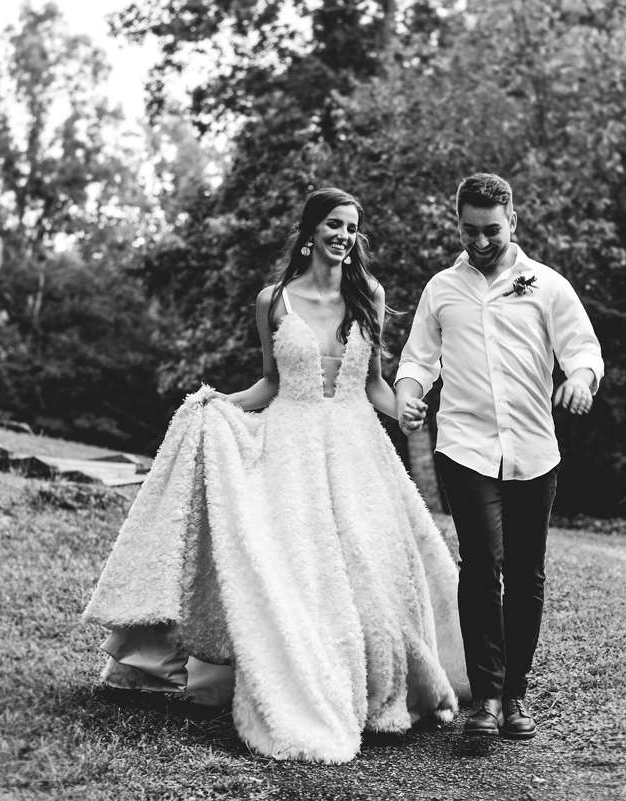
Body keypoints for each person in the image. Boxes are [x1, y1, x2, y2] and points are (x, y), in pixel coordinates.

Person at [83, 188, 468, 764]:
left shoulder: (370, 294)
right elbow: (269, 383)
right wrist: (217, 404)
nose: (344, 236)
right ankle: (308, 680)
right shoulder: (273, 300)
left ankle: (379, 686)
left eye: (352, 228)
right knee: (301, 568)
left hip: (359, 446)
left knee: (374, 565)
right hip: (292, 446)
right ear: (310, 231)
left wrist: (405, 411)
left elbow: (373, 386)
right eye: (334, 225)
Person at [395, 173, 603, 740]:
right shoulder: (441, 288)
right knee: (482, 567)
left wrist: (580, 382)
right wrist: (409, 397)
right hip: (464, 445)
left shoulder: (548, 285)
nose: (480, 243)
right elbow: (418, 359)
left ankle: (516, 694)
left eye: (491, 231)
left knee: (527, 573)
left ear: (513, 222)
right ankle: (485, 698)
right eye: (469, 231)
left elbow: (582, 350)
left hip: (534, 449)